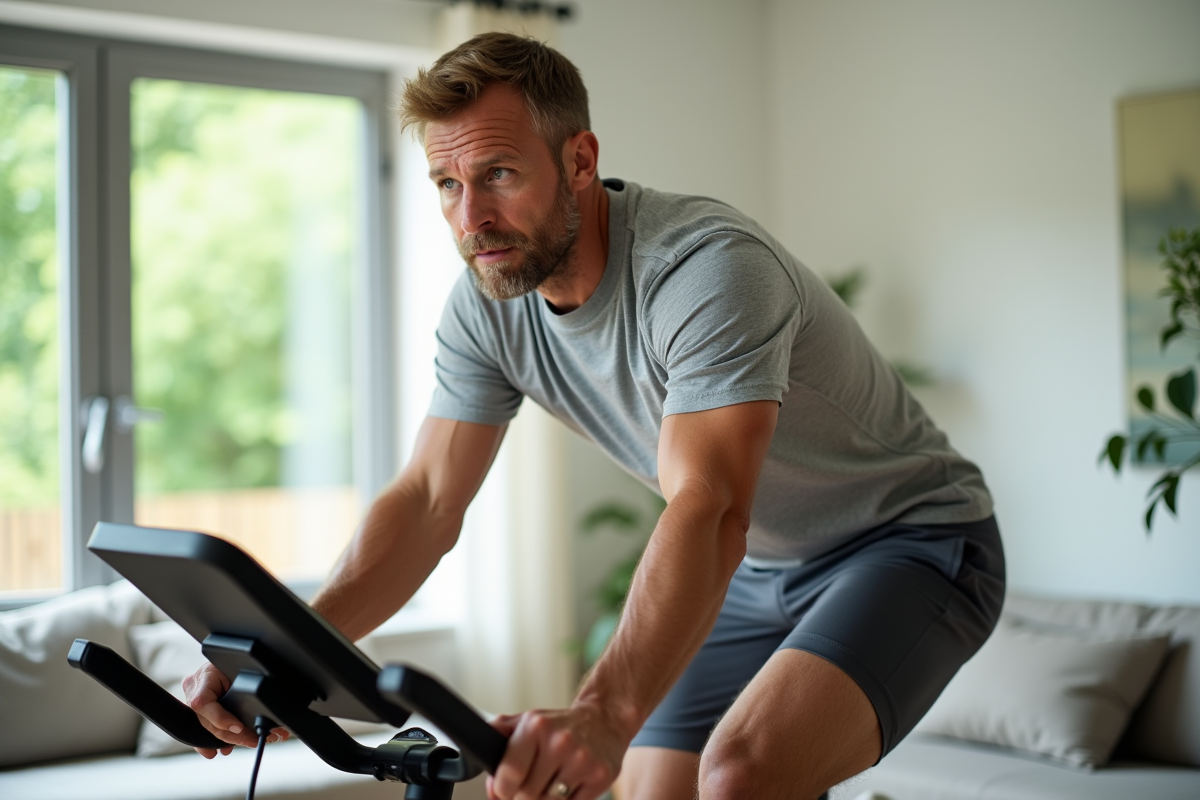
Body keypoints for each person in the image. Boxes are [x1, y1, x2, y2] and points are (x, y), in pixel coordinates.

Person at [183, 32, 1005, 800]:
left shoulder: (707, 269)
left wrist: (605, 713)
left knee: (739, 772)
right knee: (651, 790)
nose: (471, 219)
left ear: (579, 160)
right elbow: (429, 500)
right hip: (765, 567)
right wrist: (288, 654)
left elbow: (710, 503)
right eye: (448, 184)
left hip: (912, 540)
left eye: (499, 174)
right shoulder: (488, 304)